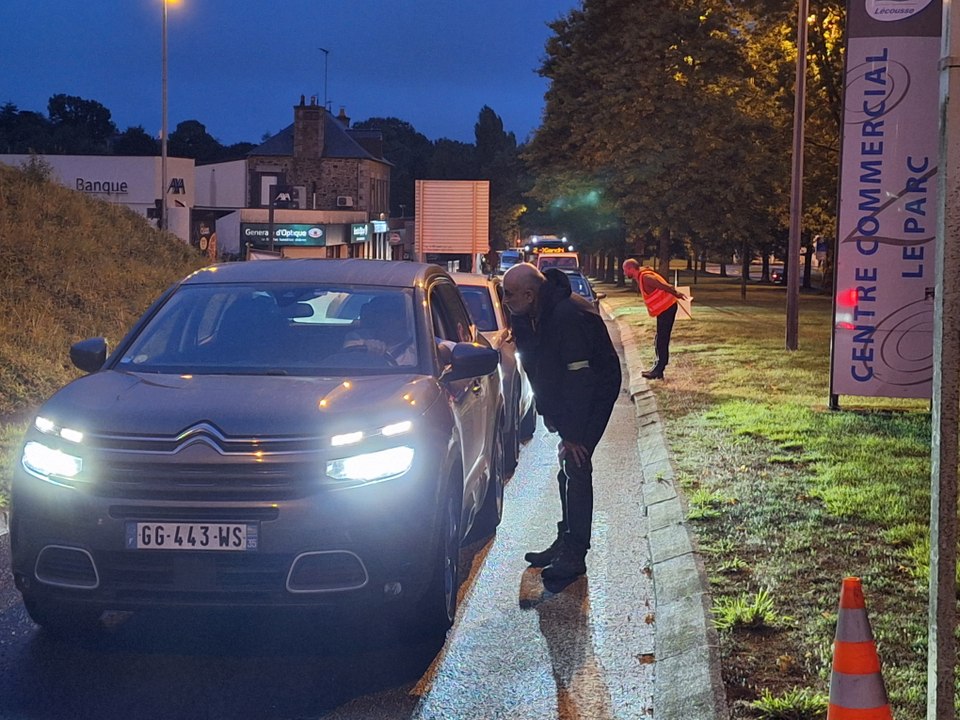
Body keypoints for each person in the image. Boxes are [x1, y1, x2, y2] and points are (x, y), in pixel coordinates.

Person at [502, 263, 622, 581]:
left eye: (508, 294)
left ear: (529, 294)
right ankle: (566, 539)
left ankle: (575, 554)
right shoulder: (528, 313)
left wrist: (573, 433)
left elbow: (579, 379)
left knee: (577, 464)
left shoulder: (567, 315)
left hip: (594, 391)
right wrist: (550, 414)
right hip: (571, 393)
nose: (505, 301)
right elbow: (536, 368)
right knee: (567, 468)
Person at [622, 258, 686, 380]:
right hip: (664, 309)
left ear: (630, 268)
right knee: (660, 338)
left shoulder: (646, 277)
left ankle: (659, 369)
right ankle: (658, 369)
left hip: (667, 308)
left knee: (662, 339)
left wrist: (677, 293)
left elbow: (664, 286)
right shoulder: (641, 277)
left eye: (625, 270)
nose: (624, 273)